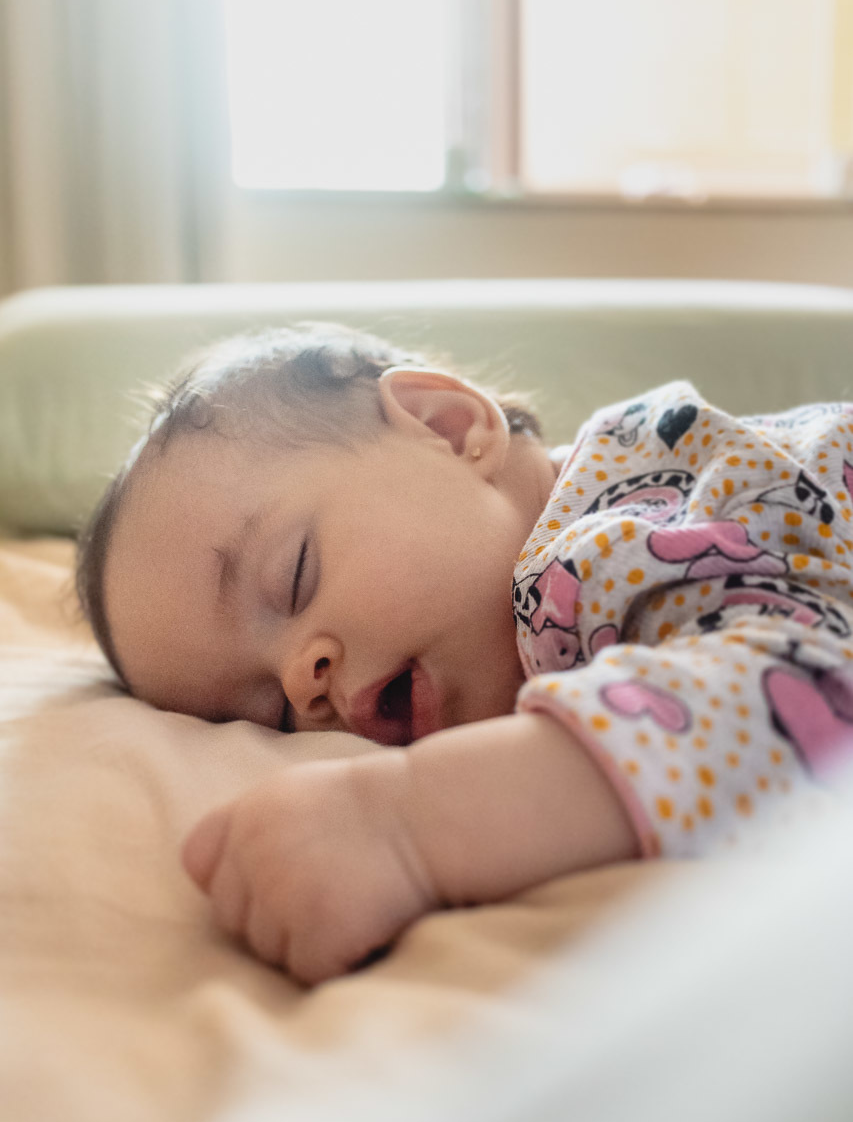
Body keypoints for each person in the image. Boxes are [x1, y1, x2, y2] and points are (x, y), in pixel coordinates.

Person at [75, 323, 853, 985]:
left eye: (295, 575)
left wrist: (408, 824)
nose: (298, 683)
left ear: (447, 428)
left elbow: (802, 699)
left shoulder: (615, 540)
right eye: (269, 714)